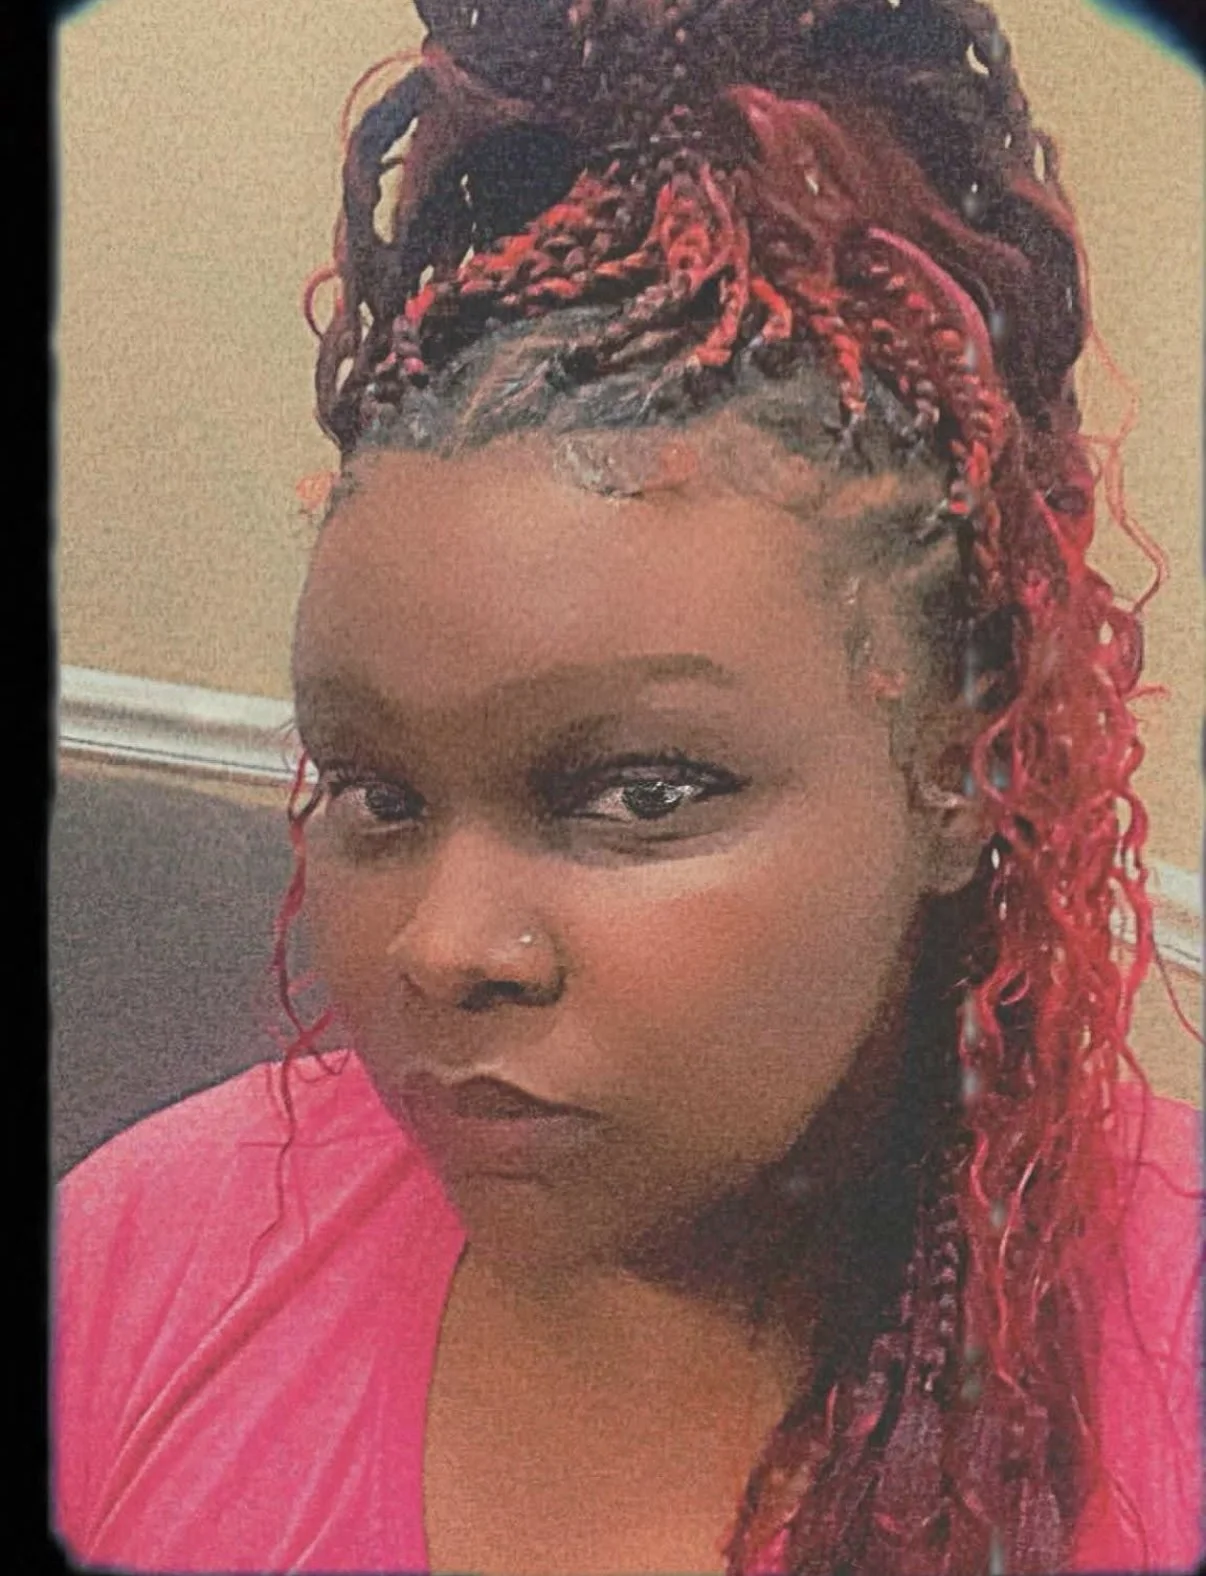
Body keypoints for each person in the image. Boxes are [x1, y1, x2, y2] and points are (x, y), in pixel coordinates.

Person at [52, 1, 1202, 1572]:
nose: (444, 950)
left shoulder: (1173, 1355)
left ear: (966, 763)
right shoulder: (152, 1257)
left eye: (642, 794)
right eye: (376, 790)